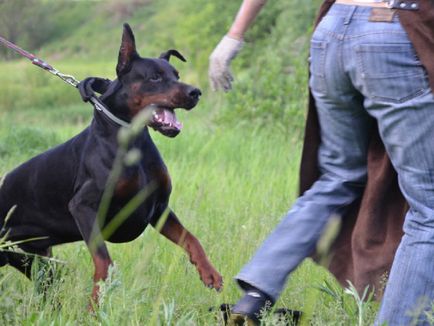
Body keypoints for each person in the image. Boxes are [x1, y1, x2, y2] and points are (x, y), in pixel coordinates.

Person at [209, 0, 434, 325]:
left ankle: (255, 295)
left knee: (339, 177)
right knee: (429, 207)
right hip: (392, 30)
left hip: (333, 28)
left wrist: (234, 34)